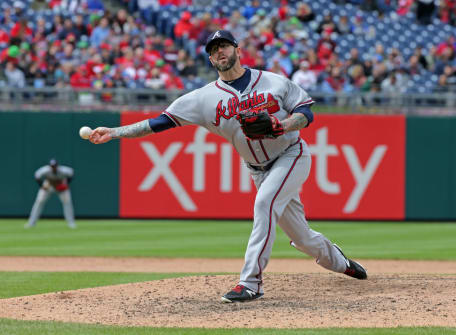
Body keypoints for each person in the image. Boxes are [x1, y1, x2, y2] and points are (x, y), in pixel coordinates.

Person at [88, 30, 367, 303]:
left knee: (264, 204)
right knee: (303, 238)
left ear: (238, 50)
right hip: (257, 169)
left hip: (291, 154)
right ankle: (341, 262)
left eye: (223, 45)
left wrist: (281, 125)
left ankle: (251, 283)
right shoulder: (202, 98)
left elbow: (306, 114)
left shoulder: (273, 82)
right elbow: (158, 123)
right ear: (210, 60)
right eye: (213, 49)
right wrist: (115, 131)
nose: (219, 51)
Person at [25, 159, 76, 229]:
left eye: (54, 166)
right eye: (52, 166)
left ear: (57, 166)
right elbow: (37, 175)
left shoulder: (64, 170)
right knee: (39, 202)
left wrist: (66, 184)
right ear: (50, 166)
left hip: (60, 186)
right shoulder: (45, 170)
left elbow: (71, 173)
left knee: (67, 202)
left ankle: (71, 223)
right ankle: (31, 223)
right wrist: (42, 186)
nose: (53, 167)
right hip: (49, 186)